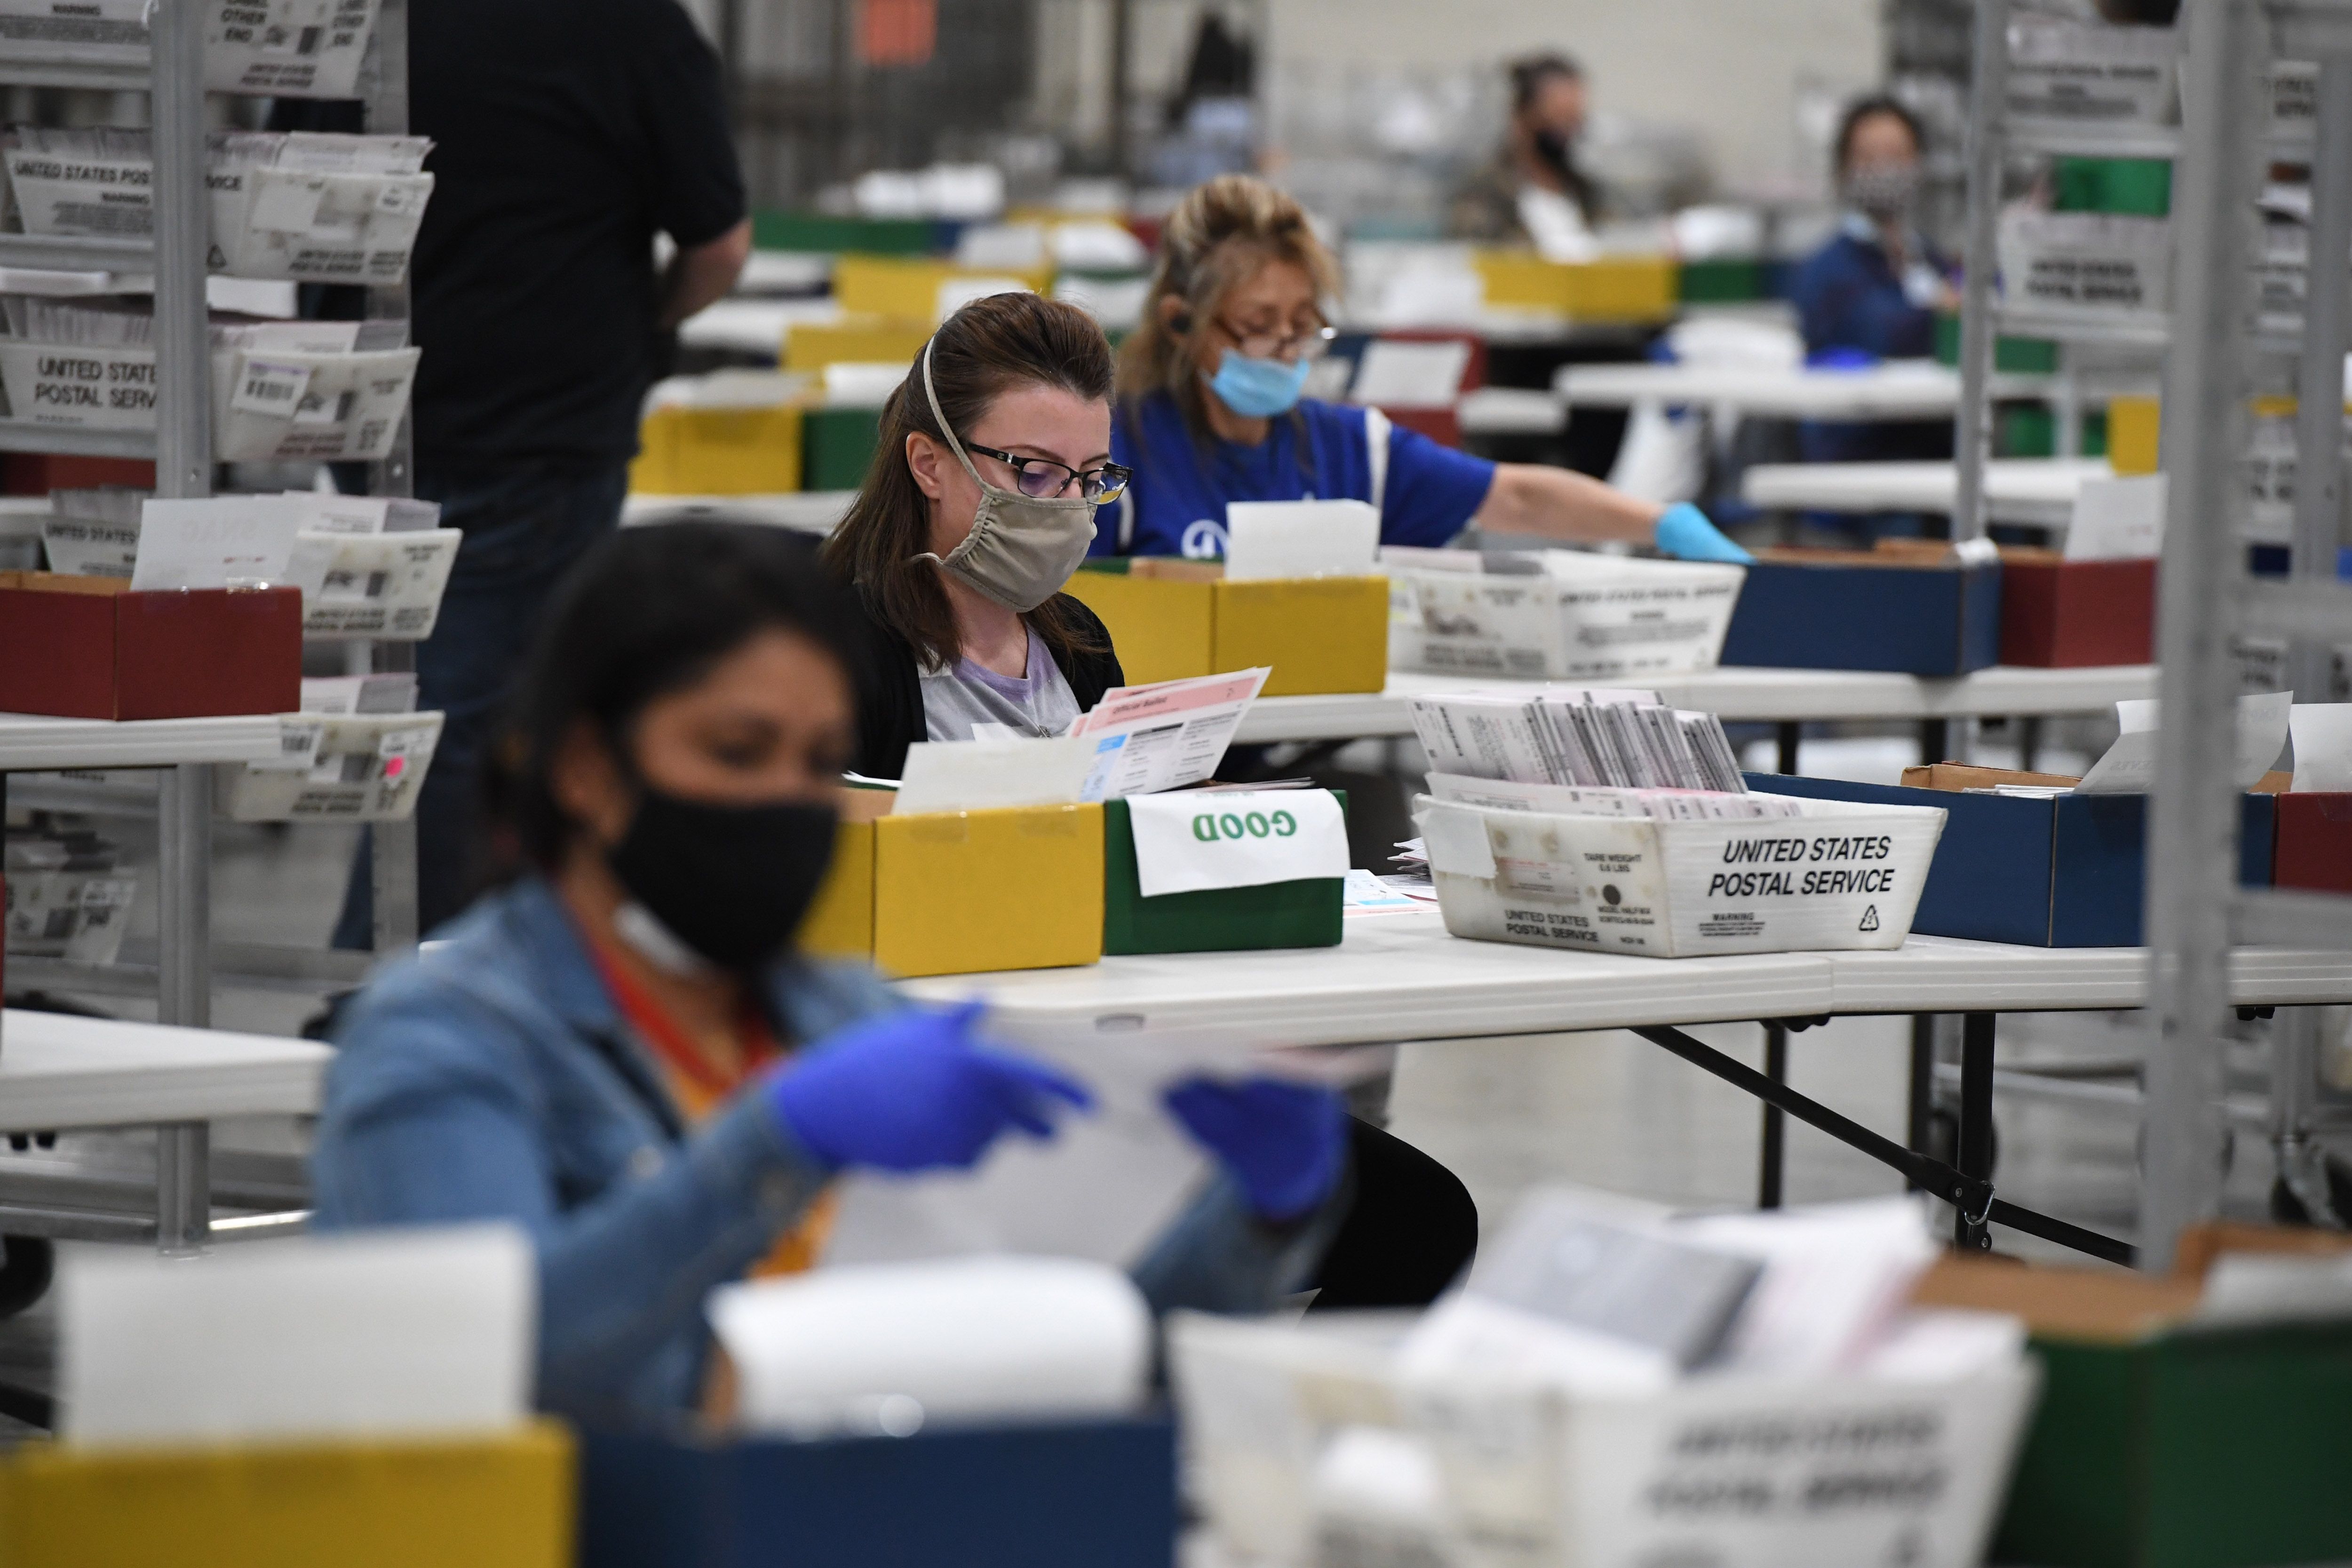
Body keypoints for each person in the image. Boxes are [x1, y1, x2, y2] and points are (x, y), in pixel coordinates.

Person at [313, 521, 1361, 1426]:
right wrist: (776, 1143)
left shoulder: (837, 1008)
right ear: (586, 769)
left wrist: (1254, 1216)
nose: (786, 797)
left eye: (818, 764)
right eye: (736, 750)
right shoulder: (447, 1037)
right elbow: (498, 1366)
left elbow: (1072, 1345)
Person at [820, 290, 1479, 1311]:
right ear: (929, 460)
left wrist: (1195, 825)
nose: (1064, 505)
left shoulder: (1075, 639)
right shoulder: (835, 641)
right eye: (1031, 472)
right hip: (952, 1068)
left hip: (1116, 1046)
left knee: (1420, 1214)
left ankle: (1245, 1432)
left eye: (1090, 477)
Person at [332, 0, 755, 947]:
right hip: (542, 426)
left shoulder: (369, 17)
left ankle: (454, 969)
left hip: (360, 407)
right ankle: (378, 987)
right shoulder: (631, 27)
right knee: (466, 726)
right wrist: (644, 326)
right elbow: (719, 245)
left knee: (425, 707)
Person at [1103, 175, 1748, 566]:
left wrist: (1662, 523)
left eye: (1303, 322)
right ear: (1181, 323)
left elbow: (1518, 498)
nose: (1284, 345)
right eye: (1256, 322)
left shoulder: (1349, 450)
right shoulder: (1118, 454)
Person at [1787, 96, 1961, 478]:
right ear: (1842, 171)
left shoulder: (1926, 256)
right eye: (1869, 157)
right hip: (1860, 453)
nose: (1885, 170)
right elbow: (1882, 334)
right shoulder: (1826, 268)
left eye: (1898, 156)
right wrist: (1937, 312)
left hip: (1932, 445)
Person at [1449, 54, 1603, 260]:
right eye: (1559, 115)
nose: (1569, 129)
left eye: (1574, 117)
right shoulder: (1486, 196)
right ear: (1522, 115)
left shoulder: (1587, 195)